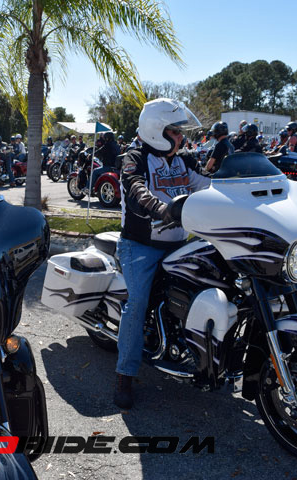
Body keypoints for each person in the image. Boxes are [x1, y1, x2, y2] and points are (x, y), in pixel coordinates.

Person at [114, 98, 210, 409]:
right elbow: (135, 189)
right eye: (175, 131)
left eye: (181, 132)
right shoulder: (135, 158)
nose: (181, 137)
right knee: (137, 304)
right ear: (157, 131)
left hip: (179, 245)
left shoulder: (184, 162)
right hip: (141, 247)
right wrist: (160, 208)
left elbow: (209, 186)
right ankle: (124, 375)